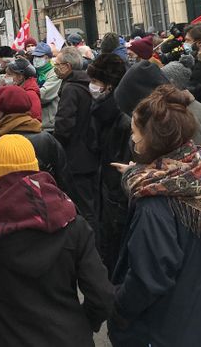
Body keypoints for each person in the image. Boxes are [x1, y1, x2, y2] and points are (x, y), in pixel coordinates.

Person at [0, 134, 112, 346]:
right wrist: (84, 322)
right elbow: (102, 294)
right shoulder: (70, 219)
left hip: (9, 337)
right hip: (68, 336)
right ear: (35, 166)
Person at [108, 86, 201, 346]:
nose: (133, 140)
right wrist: (138, 173)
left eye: (135, 133)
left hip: (165, 328)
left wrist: (117, 307)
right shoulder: (200, 171)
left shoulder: (155, 204)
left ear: (150, 139)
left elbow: (148, 278)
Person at [86, 53, 132, 272]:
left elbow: (118, 161)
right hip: (105, 189)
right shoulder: (102, 110)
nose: (92, 87)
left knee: (115, 249)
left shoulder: (122, 118)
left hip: (115, 194)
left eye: (96, 82)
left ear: (110, 86)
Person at [52, 46, 98, 227]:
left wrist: (56, 144)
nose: (55, 68)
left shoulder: (71, 89)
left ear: (68, 67)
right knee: (92, 204)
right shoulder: (86, 83)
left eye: (58, 64)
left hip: (76, 156)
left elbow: (64, 124)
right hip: (89, 152)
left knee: (84, 207)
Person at [36, 42, 62, 132]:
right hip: (38, 123)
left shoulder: (55, 73)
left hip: (50, 124)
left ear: (48, 58)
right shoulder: (35, 73)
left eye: (39, 57)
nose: (36, 59)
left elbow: (43, 95)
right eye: (35, 56)